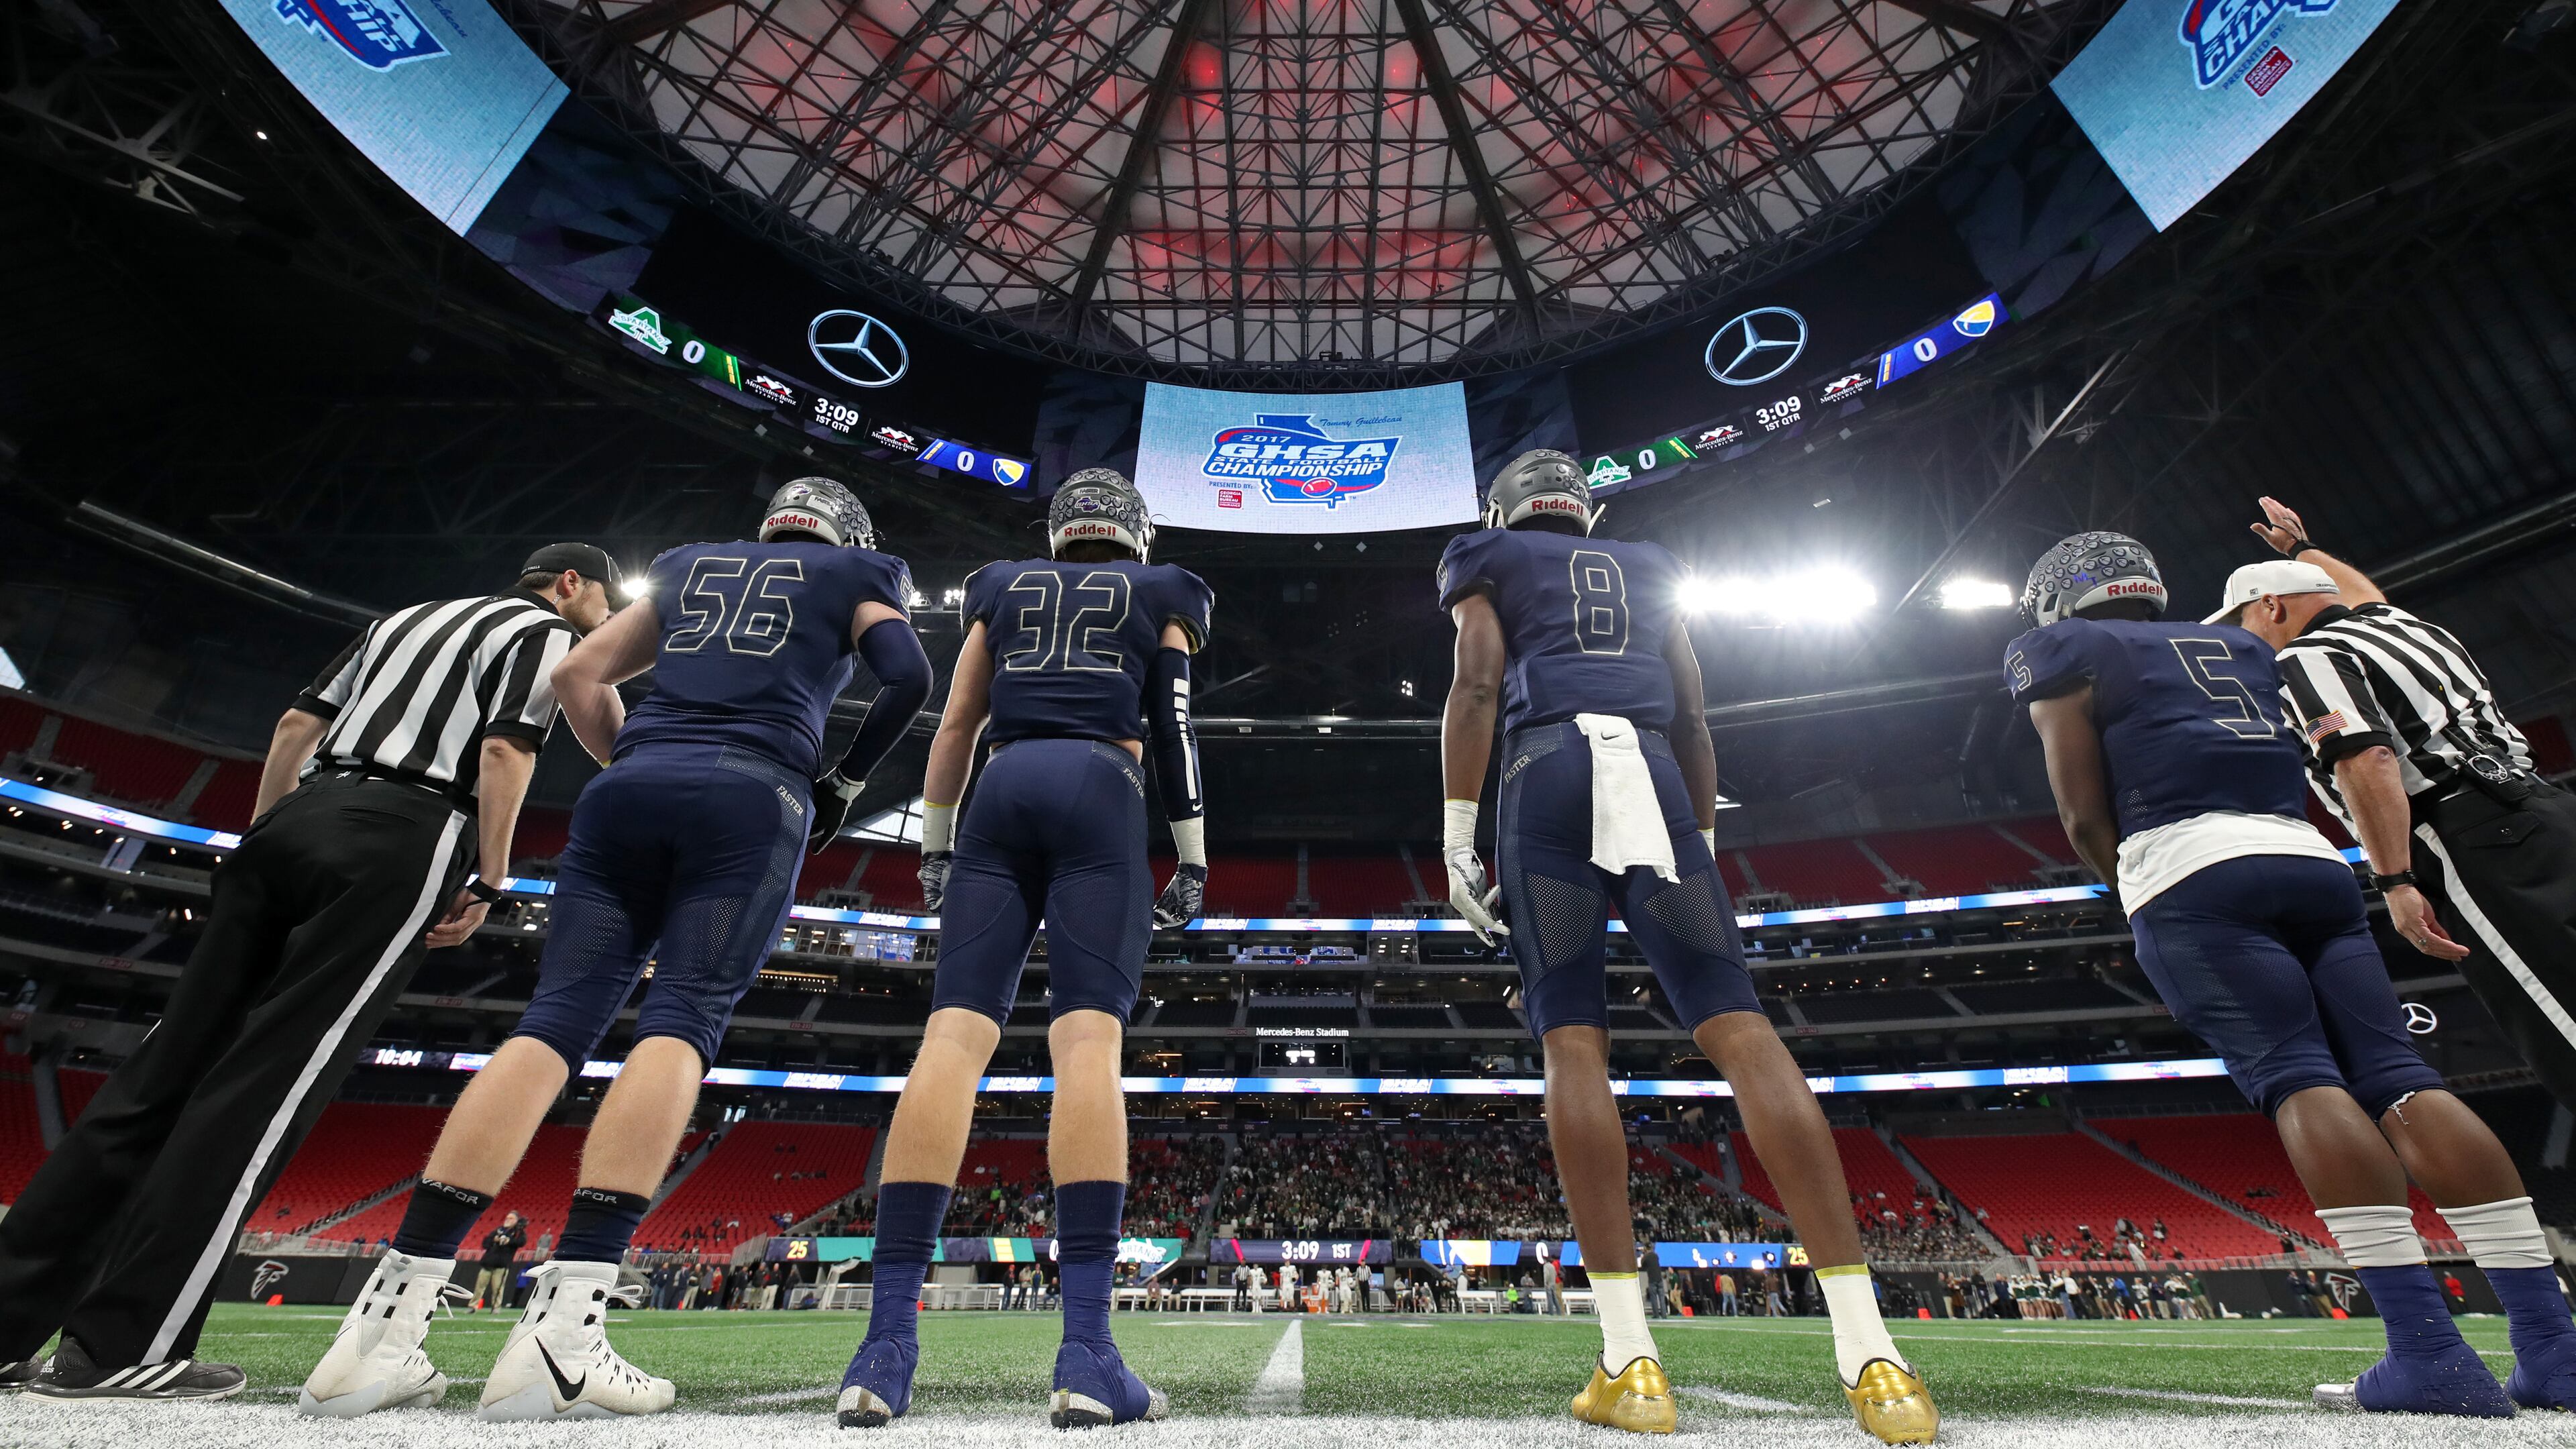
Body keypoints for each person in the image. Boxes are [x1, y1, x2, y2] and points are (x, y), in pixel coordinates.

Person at [299, 479, 931, 1421]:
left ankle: (379, 1334)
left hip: (632, 784)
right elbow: (909, 675)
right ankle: (565, 1332)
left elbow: (576, 676)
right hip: (751, 793)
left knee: (550, 1024)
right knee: (678, 1022)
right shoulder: (853, 571)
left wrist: (632, 760)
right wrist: (841, 779)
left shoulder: (686, 568)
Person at [0, 544, 608, 1401]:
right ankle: (123, 1345)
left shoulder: (403, 618)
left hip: (295, 818)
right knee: (265, 1086)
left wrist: (267, 832)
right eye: (605, 603)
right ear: (570, 582)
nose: (607, 625)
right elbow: (506, 753)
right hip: (405, 826)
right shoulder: (545, 634)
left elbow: (295, 728)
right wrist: (490, 881)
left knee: (161, 1071)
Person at [2011, 529, 2573, 1415]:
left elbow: (2083, 813)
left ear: (2057, 597)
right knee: (2399, 1076)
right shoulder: (2242, 643)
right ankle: (2555, 1351)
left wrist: (2131, 882)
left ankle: (2429, 1353)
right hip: (2311, 860)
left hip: (2188, 862)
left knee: (2298, 1075)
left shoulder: (2065, 648)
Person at [1436, 451, 1934, 1442]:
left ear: (1506, 511)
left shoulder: (1486, 556)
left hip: (1549, 774)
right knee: (1743, 1030)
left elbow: (1480, 685)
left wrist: (1457, 831)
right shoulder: (1651, 565)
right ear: (1589, 509)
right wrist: (1699, 840)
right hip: (1659, 777)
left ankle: (1632, 1363)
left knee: (1574, 1041)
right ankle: (1876, 1360)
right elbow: (1699, 715)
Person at [835, 469, 1212, 1431]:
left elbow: (956, 719)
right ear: (1134, 530)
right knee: (1086, 1048)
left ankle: (883, 1350)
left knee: (950, 1045)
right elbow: (1170, 726)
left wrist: (932, 841)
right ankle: (1087, 1351)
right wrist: (1195, 852)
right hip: (1102, 785)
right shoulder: (1164, 588)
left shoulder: (1001, 584)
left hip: (1002, 787)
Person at [2220, 496, 2576, 1115]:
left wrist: (2395, 880)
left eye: (2243, 620)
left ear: (2273, 606)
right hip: (2545, 808)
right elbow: (2361, 594)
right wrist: (2303, 550)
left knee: (2554, 1011)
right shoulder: (2402, 626)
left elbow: (2365, 758)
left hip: (2468, 834)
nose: (2244, 637)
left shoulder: (2303, 658)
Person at [473, 1212, 527, 1312]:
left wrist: (509, 1241)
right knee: (479, 1286)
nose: (508, 1220)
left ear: (516, 1221)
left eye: (511, 1218)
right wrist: (495, 1240)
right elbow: (486, 1243)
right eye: (507, 1218)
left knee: (497, 1288)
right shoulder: (498, 1230)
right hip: (488, 1262)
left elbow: (522, 1242)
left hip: (502, 1264)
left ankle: (496, 1307)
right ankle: (473, 1306)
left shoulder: (517, 1233)